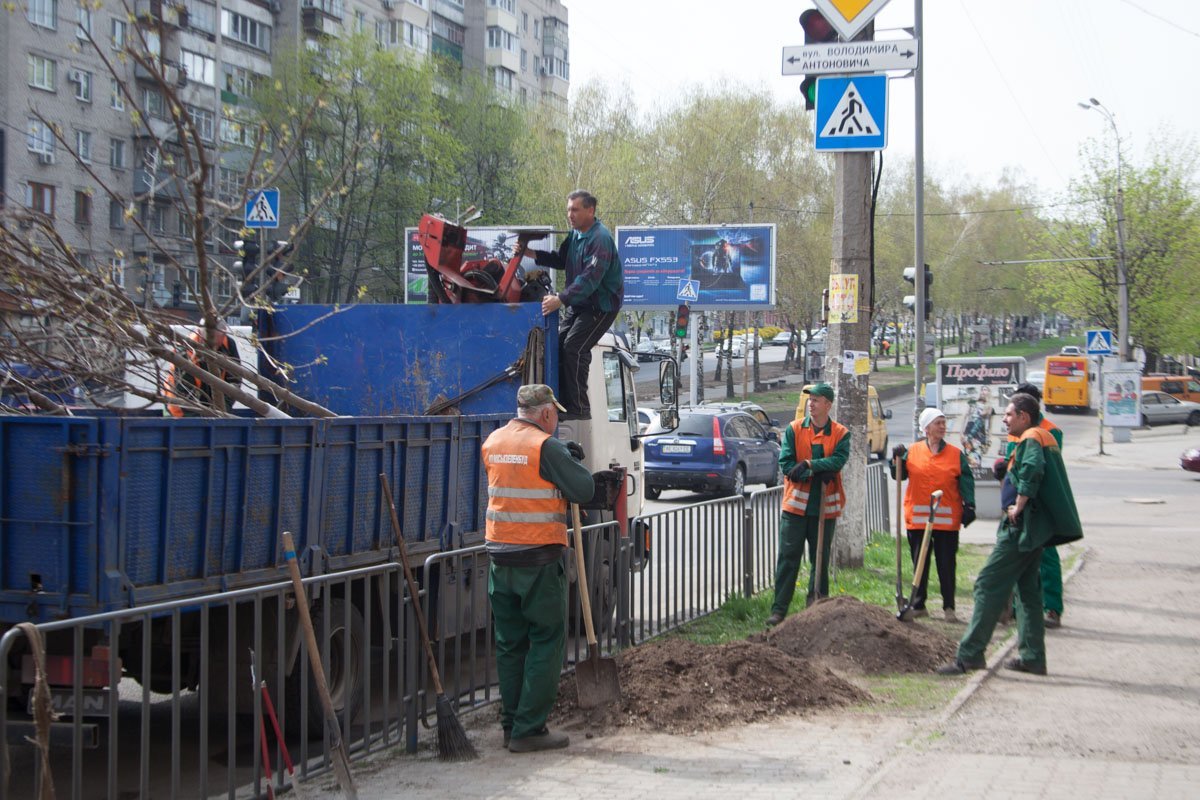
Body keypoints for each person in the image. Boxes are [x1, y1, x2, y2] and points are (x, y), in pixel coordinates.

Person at [482, 384, 595, 752]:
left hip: (500, 557)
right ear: (545, 413)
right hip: (538, 561)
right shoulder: (545, 446)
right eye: (555, 414)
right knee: (546, 640)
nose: (557, 419)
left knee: (510, 644)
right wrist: (571, 462)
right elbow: (583, 488)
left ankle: (511, 724)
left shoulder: (494, 441)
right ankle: (530, 729)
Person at [938, 392, 1082, 677]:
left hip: (1020, 527)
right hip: (1034, 529)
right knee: (1028, 593)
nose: (1003, 419)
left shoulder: (1031, 437)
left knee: (987, 584)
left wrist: (1019, 503)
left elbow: (1032, 471)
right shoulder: (1042, 436)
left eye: (1008, 415)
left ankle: (969, 656)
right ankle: (1032, 657)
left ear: (1024, 416)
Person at [518, 190, 623, 420]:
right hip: (580, 304)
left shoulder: (600, 239)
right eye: (568, 209)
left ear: (590, 210)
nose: (570, 214)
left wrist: (560, 299)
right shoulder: (575, 236)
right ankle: (561, 402)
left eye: (575, 210)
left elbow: (590, 279)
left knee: (574, 347)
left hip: (601, 306)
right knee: (557, 345)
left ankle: (578, 408)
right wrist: (530, 252)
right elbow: (560, 259)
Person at [767, 383, 850, 626]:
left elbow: (838, 460)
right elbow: (787, 464)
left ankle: (817, 605)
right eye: (809, 400)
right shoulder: (794, 429)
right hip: (795, 509)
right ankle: (779, 609)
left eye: (816, 400)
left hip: (825, 508)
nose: (810, 404)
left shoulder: (841, 433)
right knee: (787, 557)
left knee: (820, 558)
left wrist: (810, 465)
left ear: (828, 404)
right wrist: (807, 471)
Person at [890, 407, 976, 623]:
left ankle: (949, 607)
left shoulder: (956, 454)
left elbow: (966, 480)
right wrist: (896, 458)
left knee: (946, 564)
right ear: (926, 428)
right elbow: (898, 476)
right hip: (918, 520)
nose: (942, 426)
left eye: (944, 422)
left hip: (946, 521)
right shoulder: (913, 451)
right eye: (938, 423)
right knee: (920, 562)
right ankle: (918, 605)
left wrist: (970, 505)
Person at [994, 381, 1067, 629]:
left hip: (1038, 503)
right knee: (1017, 555)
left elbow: (1039, 467)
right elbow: (1014, 458)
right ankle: (1015, 608)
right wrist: (1004, 467)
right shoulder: (1016, 427)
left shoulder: (1049, 431)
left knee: (1045, 555)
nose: (1009, 415)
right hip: (1016, 502)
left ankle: (1052, 608)